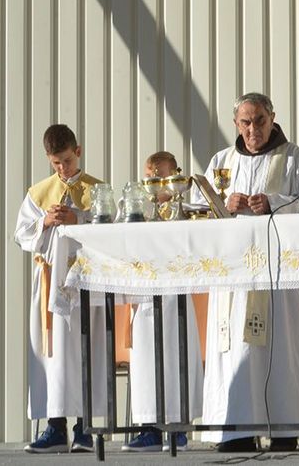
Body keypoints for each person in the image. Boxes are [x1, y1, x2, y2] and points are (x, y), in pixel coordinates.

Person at [196, 93, 299, 453]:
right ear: (236, 123)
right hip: (236, 275)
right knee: (236, 348)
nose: (253, 130)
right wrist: (224, 205)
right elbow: (202, 208)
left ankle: (285, 428)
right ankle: (236, 429)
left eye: (260, 121)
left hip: (278, 275)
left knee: (281, 348)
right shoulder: (222, 160)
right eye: (246, 123)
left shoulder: (294, 157)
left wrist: (274, 203)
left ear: (273, 118)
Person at [13, 124, 107, 453]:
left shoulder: (97, 189)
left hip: (85, 281)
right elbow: (21, 234)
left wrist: (77, 219)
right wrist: (44, 222)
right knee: (51, 352)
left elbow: (111, 226)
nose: (62, 168)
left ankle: (84, 428)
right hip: (50, 280)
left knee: (85, 351)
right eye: (55, 163)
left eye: (66, 160)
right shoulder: (38, 193)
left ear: (78, 152)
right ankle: (55, 427)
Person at [121, 151, 204, 452]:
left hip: (174, 298)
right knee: (146, 363)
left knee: (176, 358)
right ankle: (148, 427)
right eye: (149, 178)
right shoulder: (135, 208)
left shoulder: (188, 208)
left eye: (161, 178)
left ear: (176, 177)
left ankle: (178, 427)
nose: (155, 185)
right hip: (144, 296)